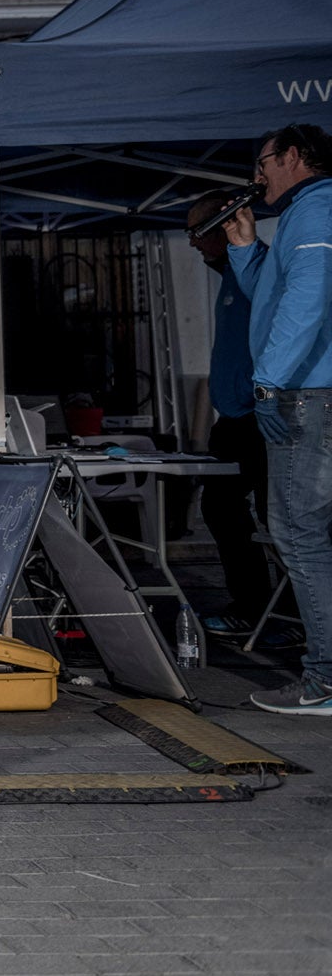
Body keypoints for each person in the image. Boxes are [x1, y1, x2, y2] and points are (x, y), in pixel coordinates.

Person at [224, 123, 332, 716]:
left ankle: (324, 679)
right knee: (313, 537)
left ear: (293, 156)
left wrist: (270, 380)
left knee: (300, 536)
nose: (257, 174)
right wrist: (243, 247)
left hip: (308, 396)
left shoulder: (317, 213)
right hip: (312, 390)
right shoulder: (303, 217)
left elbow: (306, 302)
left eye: (263, 161)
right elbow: (274, 292)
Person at [185, 191, 284, 643]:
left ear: (225, 227)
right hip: (234, 417)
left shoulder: (260, 271)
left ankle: (289, 616)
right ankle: (253, 605)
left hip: (261, 415)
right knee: (221, 506)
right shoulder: (229, 274)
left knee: (277, 516)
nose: (191, 243)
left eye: (196, 232)